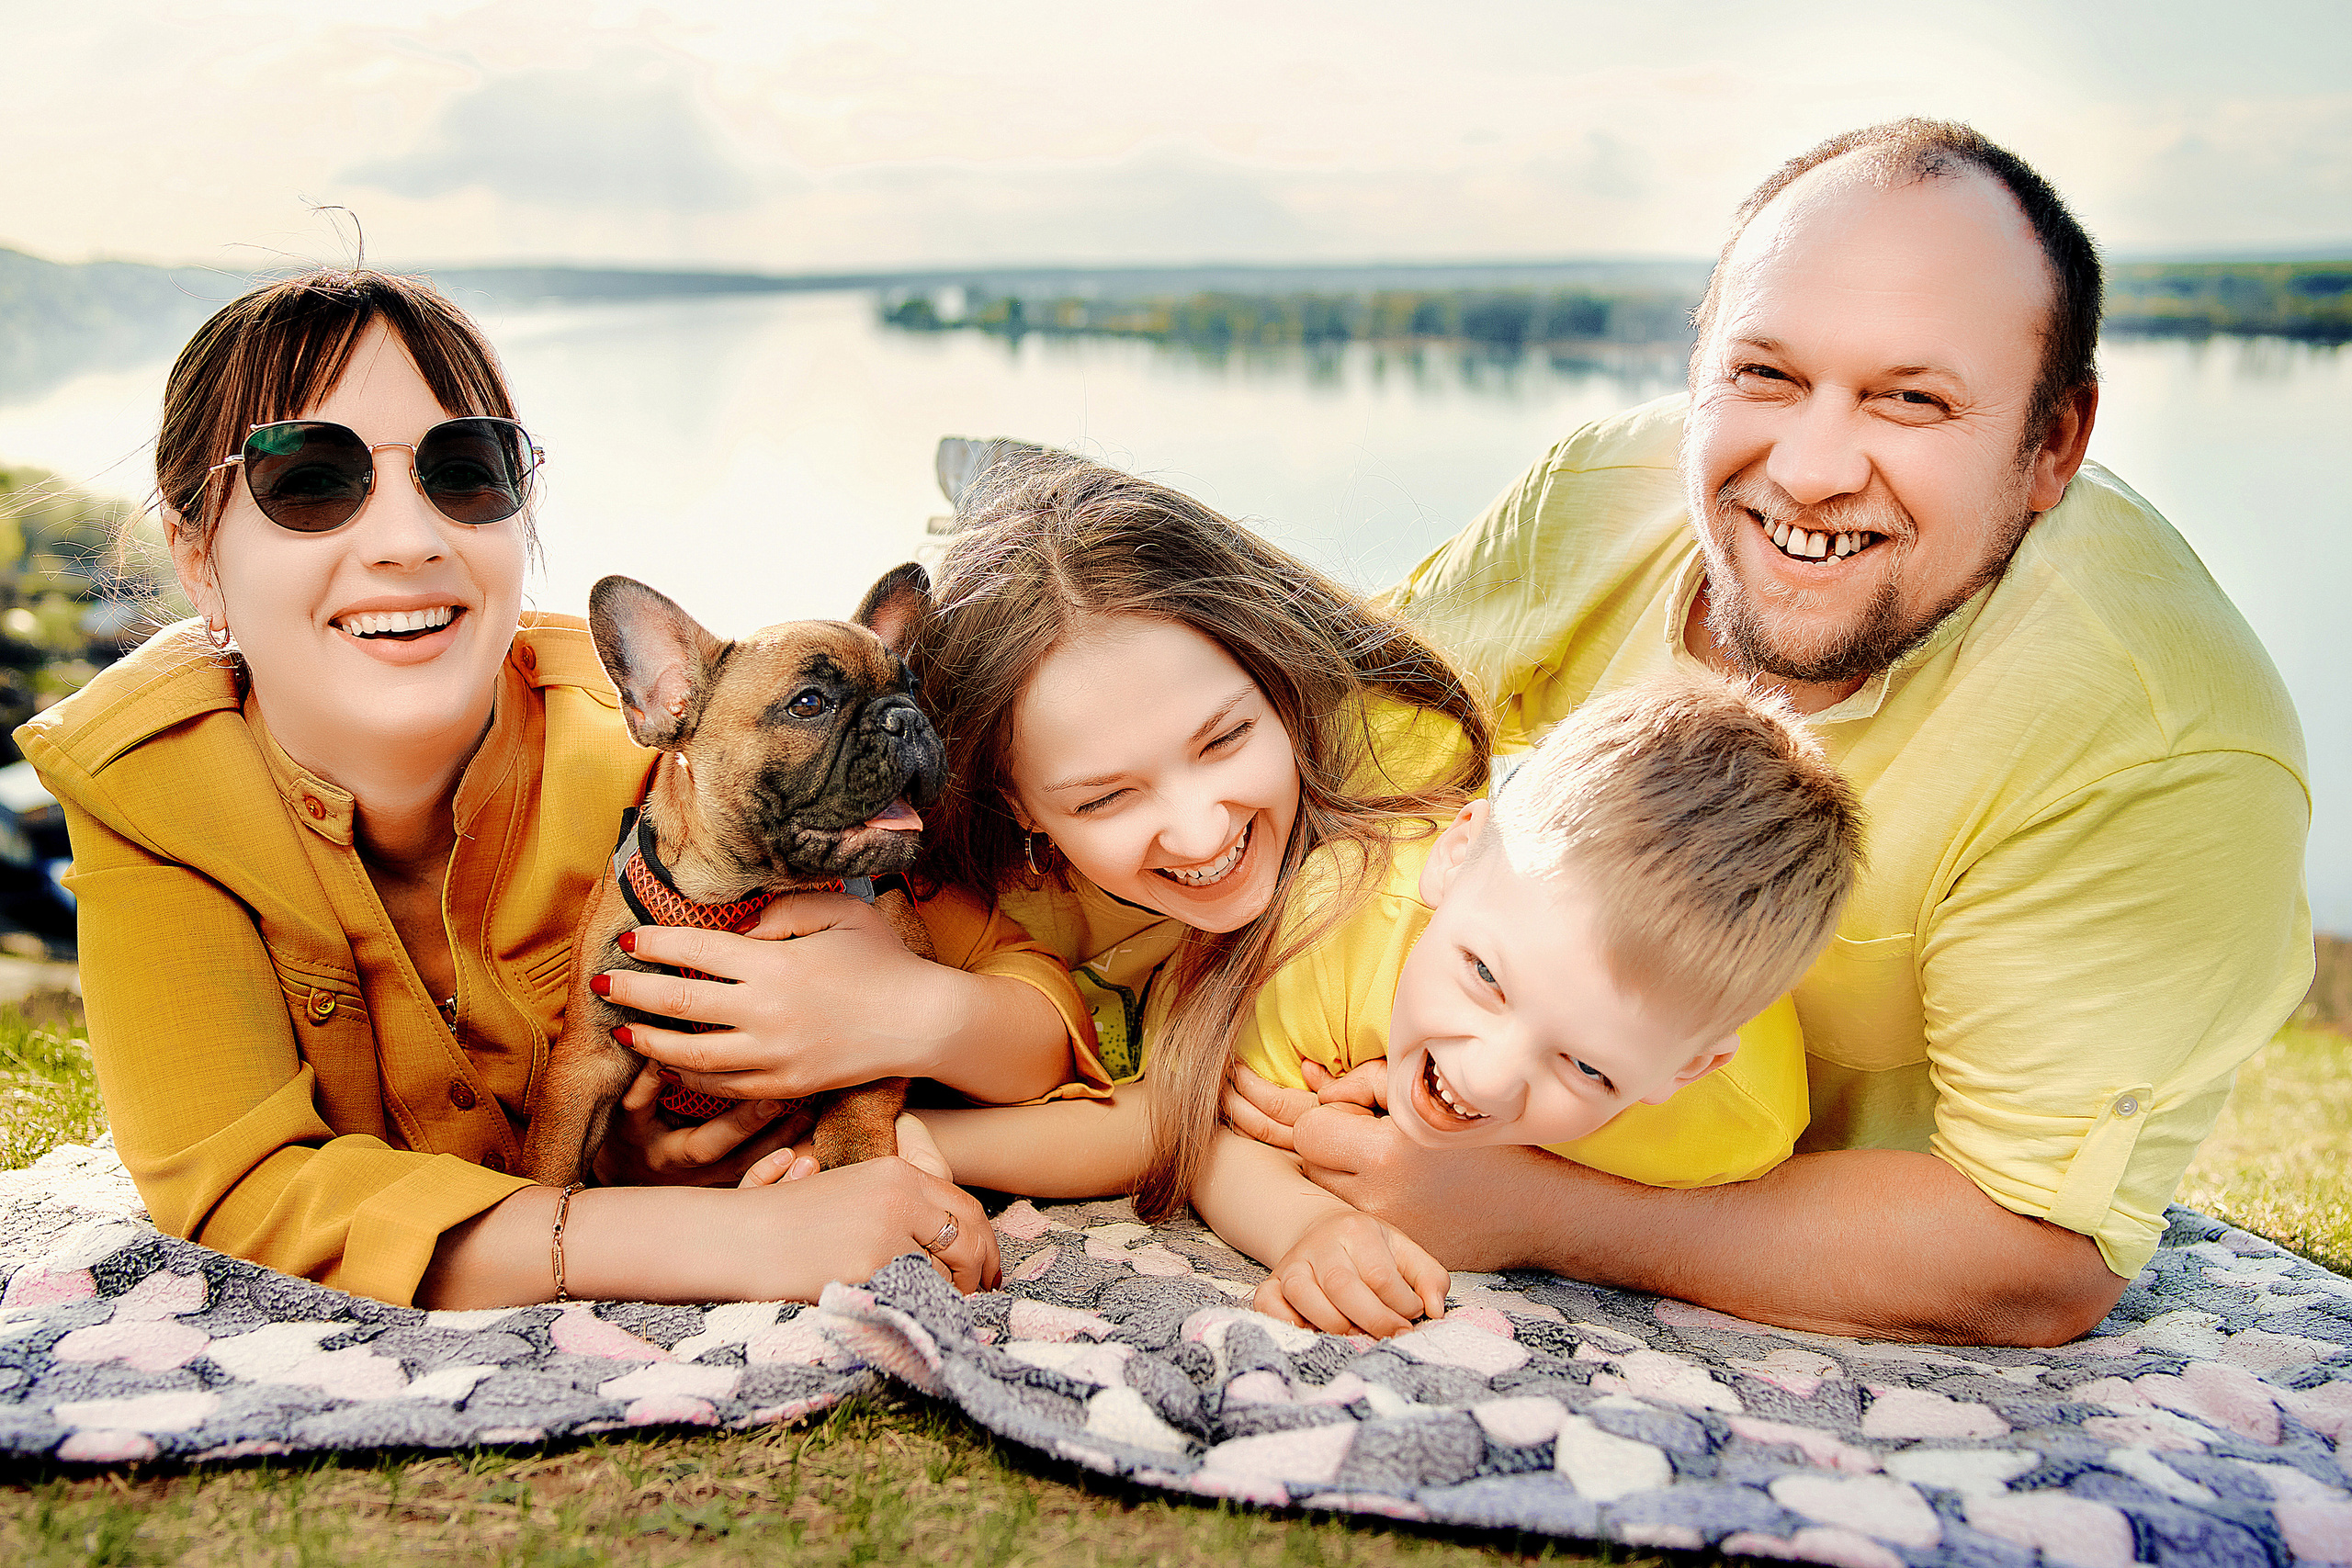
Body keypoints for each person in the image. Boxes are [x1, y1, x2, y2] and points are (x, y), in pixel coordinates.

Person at [1228, 118, 2312, 1347]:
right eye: (1765, 375)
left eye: (1912, 399)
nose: (1808, 470)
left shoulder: (2159, 746)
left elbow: (2034, 1256)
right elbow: (1331, 740)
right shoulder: (1601, 497)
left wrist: (1524, 1207)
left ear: (2052, 443)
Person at [14, 268, 1080, 1308]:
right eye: (308, 481)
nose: (408, 540)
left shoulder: (683, 767)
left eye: (465, 469)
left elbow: (1032, 1000)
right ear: (198, 557)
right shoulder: (153, 787)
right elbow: (240, 1188)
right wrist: (715, 1237)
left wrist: (912, 1012)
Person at [1200, 670, 1862, 1338]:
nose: (1486, 1078)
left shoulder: (1733, 1127)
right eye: (1486, 975)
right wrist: (1308, 1224)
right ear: (1455, 855)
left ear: (1685, 1069)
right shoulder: (1337, 923)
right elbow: (1212, 1130)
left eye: (1586, 1067)